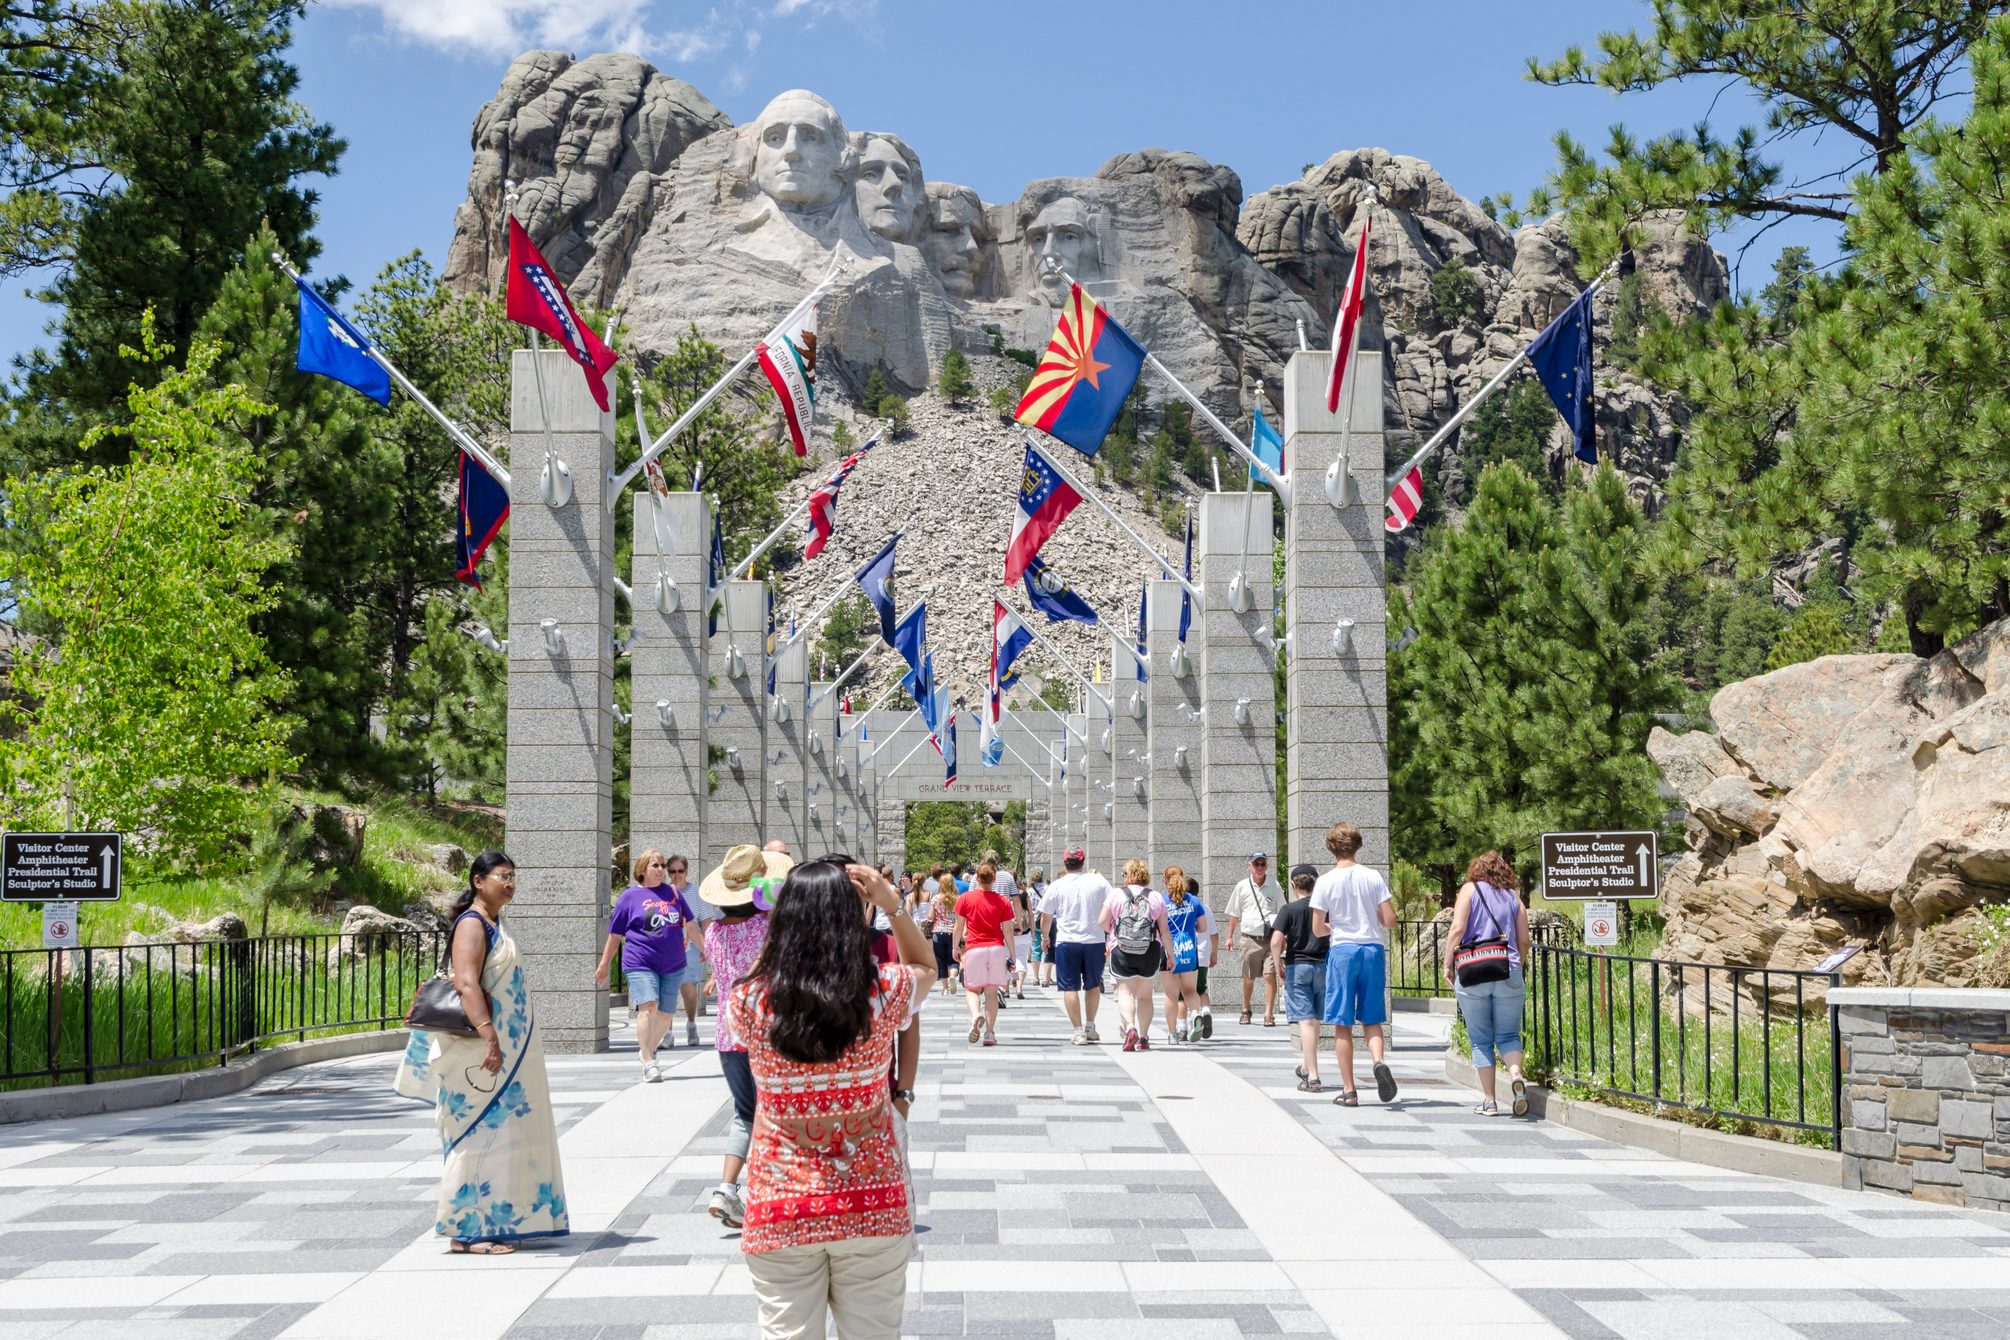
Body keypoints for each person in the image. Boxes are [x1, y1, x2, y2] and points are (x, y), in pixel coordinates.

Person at [727, 859, 936, 1337]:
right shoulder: (885, 991)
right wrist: (894, 905)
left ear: (783, 919)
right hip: (872, 1201)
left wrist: (781, 926)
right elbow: (926, 966)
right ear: (852, 917)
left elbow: (760, 977)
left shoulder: (748, 1002)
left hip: (780, 1202)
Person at [394, 851, 569, 1255]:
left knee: (505, 1135)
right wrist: (490, 1036)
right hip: (477, 1049)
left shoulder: (496, 923)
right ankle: (465, 1232)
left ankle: (500, 1218)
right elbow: (467, 984)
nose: (509, 883)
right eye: (501, 876)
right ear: (478, 881)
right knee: (475, 1136)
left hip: (507, 1051)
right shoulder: (472, 925)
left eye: (513, 876)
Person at [697, 844, 786, 1227]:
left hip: (728, 1032)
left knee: (744, 1112)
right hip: (768, 1030)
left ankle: (727, 1189)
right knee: (777, 1111)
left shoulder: (713, 931)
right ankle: (772, 1191)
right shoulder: (767, 925)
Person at [1310, 823, 1397, 1107]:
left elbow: (1317, 929)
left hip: (1343, 950)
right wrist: (1373, 918)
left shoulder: (1325, 881)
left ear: (1331, 848)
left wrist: (1333, 925)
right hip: (1372, 949)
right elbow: (1389, 919)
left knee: (1342, 1023)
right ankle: (1378, 1061)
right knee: (1371, 1018)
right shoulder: (1372, 876)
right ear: (1358, 845)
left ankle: (1349, 1090)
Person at [595, 850, 702, 1080]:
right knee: (649, 1007)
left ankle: (647, 1050)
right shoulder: (629, 897)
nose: (661, 870)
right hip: (640, 962)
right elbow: (615, 935)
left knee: (666, 1014)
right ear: (643, 869)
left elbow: (691, 927)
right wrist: (604, 964)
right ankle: (649, 1061)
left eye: (662, 865)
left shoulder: (673, 893)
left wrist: (709, 951)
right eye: (656, 865)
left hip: (673, 964)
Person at [1444, 851, 1533, 1117]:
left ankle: (1490, 1101)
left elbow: (1457, 929)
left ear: (1476, 869)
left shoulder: (1469, 890)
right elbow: (1524, 939)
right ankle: (1515, 1074)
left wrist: (1448, 962)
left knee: (1481, 1039)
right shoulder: (1513, 897)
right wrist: (1519, 963)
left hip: (1474, 971)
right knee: (1509, 1035)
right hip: (1508, 968)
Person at [1040, 847, 1112, 1044]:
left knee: (1069, 987)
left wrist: (1045, 938)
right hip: (1094, 940)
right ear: (1084, 861)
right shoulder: (1099, 881)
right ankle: (1090, 1026)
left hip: (1066, 942)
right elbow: (1113, 907)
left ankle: (1078, 1031)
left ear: (1065, 862)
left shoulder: (1057, 885)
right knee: (1093, 984)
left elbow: (1046, 917)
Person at [1101, 859, 1173, 1052]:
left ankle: (1130, 1027)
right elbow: (1164, 930)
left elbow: (1102, 921)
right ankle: (1143, 1036)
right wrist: (1170, 955)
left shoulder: (1116, 894)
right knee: (1145, 996)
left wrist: (1112, 929)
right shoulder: (1156, 896)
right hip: (1149, 951)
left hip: (1122, 949)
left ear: (1127, 875)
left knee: (1125, 992)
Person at [1270, 864, 1329, 1092]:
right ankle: (1307, 1064)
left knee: (1305, 1020)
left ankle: (1313, 1076)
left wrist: (1278, 965)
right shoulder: (1324, 909)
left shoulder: (1288, 909)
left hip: (1298, 966)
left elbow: (1276, 941)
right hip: (1323, 965)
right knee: (1315, 1020)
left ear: (1293, 885)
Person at [952, 862, 1015, 1046]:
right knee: (991, 993)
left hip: (974, 948)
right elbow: (1008, 931)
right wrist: (1011, 954)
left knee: (971, 988)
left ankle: (975, 1015)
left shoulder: (965, 899)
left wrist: (955, 948)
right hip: (996, 948)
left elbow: (958, 926)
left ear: (976, 879)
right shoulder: (1002, 901)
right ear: (994, 879)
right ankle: (989, 1033)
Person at [1159, 866, 1216, 1044]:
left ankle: (1172, 1034)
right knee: (1190, 990)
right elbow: (1203, 928)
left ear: (1164, 881)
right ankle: (1195, 1013)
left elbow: (1159, 928)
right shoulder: (1194, 901)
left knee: (1171, 994)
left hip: (1168, 952)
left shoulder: (1162, 901)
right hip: (1189, 950)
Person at [1223, 852, 1281, 1026]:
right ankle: (1246, 1009)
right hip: (1249, 938)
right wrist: (1229, 937)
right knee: (1249, 977)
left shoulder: (1275, 886)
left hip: (1270, 938)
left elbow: (1282, 911)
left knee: (1270, 975)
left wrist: (1284, 935)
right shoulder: (1242, 886)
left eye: (1263, 864)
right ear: (1250, 866)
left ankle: (1268, 1013)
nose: (1260, 868)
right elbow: (1234, 913)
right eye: (1256, 864)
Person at [672, 854, 720, 1023]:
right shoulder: (664, 892)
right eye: (672, 871)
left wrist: (705, 947)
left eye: (680, 870)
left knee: (688, 986)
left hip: (691, 947)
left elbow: (706, 921)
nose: (677, 875)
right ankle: (666, 1033)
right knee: (667, 990)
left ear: (686, 871)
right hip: (668, 946)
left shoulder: (697, 892)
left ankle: (691, 1022)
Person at [928, 874, 960, 996]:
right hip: (952, 931)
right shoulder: (958, 899)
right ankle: (952, 975)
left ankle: (945, 988)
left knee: (940, 960)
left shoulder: (936, 899)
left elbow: (930, 917)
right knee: (953, 959)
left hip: (938, 931)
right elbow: (958, 918)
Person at [1026, 868, 1052, 987]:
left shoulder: (1030, 891)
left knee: (1036, 949)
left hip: (1034, 922)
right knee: (1047, 948)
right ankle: (1046, 979)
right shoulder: (1048, 889)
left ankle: (1035, 977)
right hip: (1047, 921)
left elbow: (1028, 909)